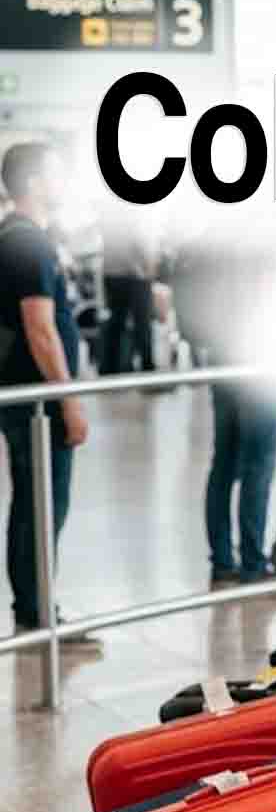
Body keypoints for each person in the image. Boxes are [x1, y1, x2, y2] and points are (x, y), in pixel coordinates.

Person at [0, 142, 98, 643]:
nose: (63, 182)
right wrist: (71, 402)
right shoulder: (28, 244)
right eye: (57, 173)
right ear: (36, 181)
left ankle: (33, 607)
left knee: (30, 503)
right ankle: (39, 613)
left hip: (24, 398)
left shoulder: (15, 237)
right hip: (39, 404)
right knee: (43, 504)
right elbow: (41, 330)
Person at [171, 227, 276, 589]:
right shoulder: (263, 242)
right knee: (259, 464)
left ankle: (222, 561)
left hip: (224, 357)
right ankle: (253, 564)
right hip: (259, 362)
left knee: (225, 462)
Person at [99, 200, 158, 375]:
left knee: (116, 321)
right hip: (136, 275)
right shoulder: (134, 211)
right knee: (142, 323)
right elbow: (141, 241)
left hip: (111, 273)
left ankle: (110, 368)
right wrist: (150, 266)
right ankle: (148, 369)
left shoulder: (109, 212)